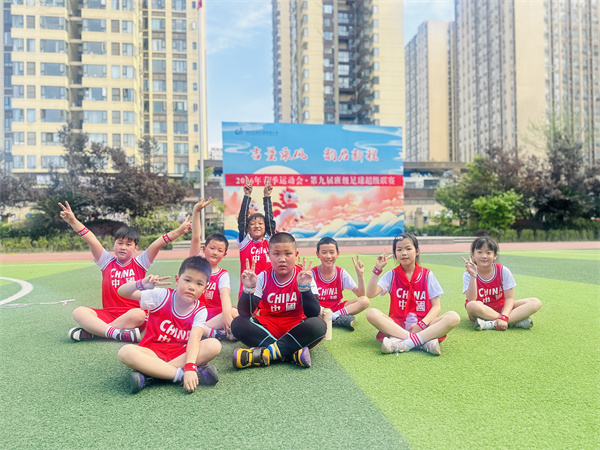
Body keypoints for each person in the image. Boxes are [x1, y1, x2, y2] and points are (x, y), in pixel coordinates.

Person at [59, 201, 191, 342]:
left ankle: (95, 332)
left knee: (139, 315)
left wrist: (179, 231)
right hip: (109, 313)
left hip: (132, 315)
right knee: (79, 312)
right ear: (114, 244)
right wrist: (73, 221)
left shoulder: (140, 262)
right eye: (120, 243)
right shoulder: (106, 261)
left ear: (135, 248)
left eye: (128, 244)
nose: (123, 247)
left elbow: (158, 243)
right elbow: (91, 239)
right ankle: (117, 333)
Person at [117, 256, 221, 394]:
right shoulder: (161, 296)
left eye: (199, 284)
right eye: (187, 280)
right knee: (125, 352)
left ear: (205, 288)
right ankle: (179, 375)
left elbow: (195, 338)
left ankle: (150, 375)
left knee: (214, 345)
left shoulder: (200, 310)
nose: (192, 287)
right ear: (177, 280)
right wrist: (141, 284)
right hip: (152, 353)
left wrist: (190, 366)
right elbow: (122, 292)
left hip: (181, 354)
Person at [230, 232, 327, 369]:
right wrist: (248, 289)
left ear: (296, 254)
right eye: (276, 254)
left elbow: (313, 313)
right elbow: (245, 313)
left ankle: (267, 353)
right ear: (269, 255)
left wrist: (305, 288)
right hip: (267, 327)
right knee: (238, 324)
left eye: (288, 254)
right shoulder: (262, 277)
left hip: (295, 327)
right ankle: (290, 353)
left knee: (318, 324)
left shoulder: (304, 276)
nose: (282, 259)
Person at [366, 233, 460, 355]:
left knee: (453, 317)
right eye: (399, 250)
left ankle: (403, 343)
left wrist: (422, 324)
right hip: (398, 326)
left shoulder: (427, 275)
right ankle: (422, 341)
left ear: (417, 251)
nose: (404, 253)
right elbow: (371, 293)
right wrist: (377, 269)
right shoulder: (392, 275)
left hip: (424, 325)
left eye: (408, 248)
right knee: (371, 313)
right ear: (395, 254)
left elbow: (436, 307)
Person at [463, 236, 542, 331]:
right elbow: (471, 299)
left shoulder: (503, 270)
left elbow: (509, 298)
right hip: (481, 310)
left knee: (535, 302)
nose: (484, 256)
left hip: (502, 308)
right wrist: (473, 275)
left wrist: (504, 316)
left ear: (495, 256)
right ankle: (513, 322)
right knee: (471, 305)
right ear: (473, 255)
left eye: (488, 253)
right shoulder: (468, 274)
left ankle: (491, 324)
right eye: (479, 252)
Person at [189, 197, 238, 340]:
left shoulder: (222, 275)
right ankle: (210, 332)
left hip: (214, 316)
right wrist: (196, 212)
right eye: (212, 248)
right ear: (204, 249)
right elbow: (196, 237)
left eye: (219, 250)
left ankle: (202, 331)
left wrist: (227, 317)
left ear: (224, 254)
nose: (215, 252)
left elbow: (225, 296)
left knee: (234, 313)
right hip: (197, 313)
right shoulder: (196, 264)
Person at [312, 237, 369, 331]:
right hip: (319, 310)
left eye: (332, 252)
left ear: (337, 254)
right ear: (317, 254)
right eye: (324, 252)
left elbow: (361, 295)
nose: (328, 256)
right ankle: (338, 319)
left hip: (337, 308)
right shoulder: (312, 273)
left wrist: (360, 275)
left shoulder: (341, 273)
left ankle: (334, 317)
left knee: (365, 301)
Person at [236, 176, 277, 297]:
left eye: (260, 223)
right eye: (253, 224)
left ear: (265, 227)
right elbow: (242, 222)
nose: (257, 226)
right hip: (249, 290)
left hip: (269, 291)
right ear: (248, 229)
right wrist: (247, 196)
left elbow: (270, 221)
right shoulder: (245, 243)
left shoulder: (271, 243)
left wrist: (267, 196)